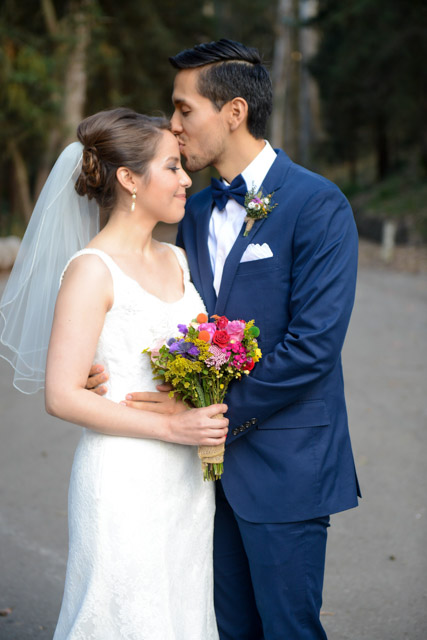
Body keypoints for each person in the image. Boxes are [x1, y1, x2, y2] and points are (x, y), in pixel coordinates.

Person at [86, 40, 361, 639]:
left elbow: (313, 347)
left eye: (184, 111)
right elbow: (154, 303)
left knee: (288, 628)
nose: (173, 126)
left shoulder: (318, 205)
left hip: (285, 465)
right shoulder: (191, 207)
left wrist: (212, 412)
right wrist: (100, 360)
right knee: (225, 629)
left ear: (233, 112)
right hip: (197, 477)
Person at [0, 107, 229, 639]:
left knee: (181, 615)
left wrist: (196, 403)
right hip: (123, 479)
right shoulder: (90, 270)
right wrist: (172, 427)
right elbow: (61, 395)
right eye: (171, 167)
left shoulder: (177, 260)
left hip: (186, 483)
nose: (185, 178)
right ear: (129, 178)